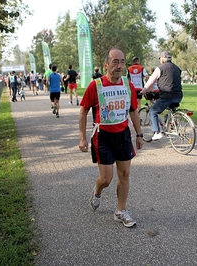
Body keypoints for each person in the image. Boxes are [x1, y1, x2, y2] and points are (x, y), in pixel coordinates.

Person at [78, 48, 143, 228]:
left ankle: (120, 211)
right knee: (106, 179)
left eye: (122, 62)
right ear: (106, 64)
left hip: (122, 135)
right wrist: (82, 137)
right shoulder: (96, 85)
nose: (120, 66)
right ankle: (97, 191)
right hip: (103, 136)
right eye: (115, 62)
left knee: (125, 174)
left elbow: (133, 111)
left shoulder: (127, 85)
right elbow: (83, 110)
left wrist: (139, 134)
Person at [141, 51, 183, 141]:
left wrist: (143, 91)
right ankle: (172, 123)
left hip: (166, 95)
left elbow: (150, 82)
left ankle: (157, 132)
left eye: (160, 59)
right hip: (179, 95)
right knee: (171, 107)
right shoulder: (177, 68)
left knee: (153, 111)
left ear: (163, 59)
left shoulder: (159, 69)